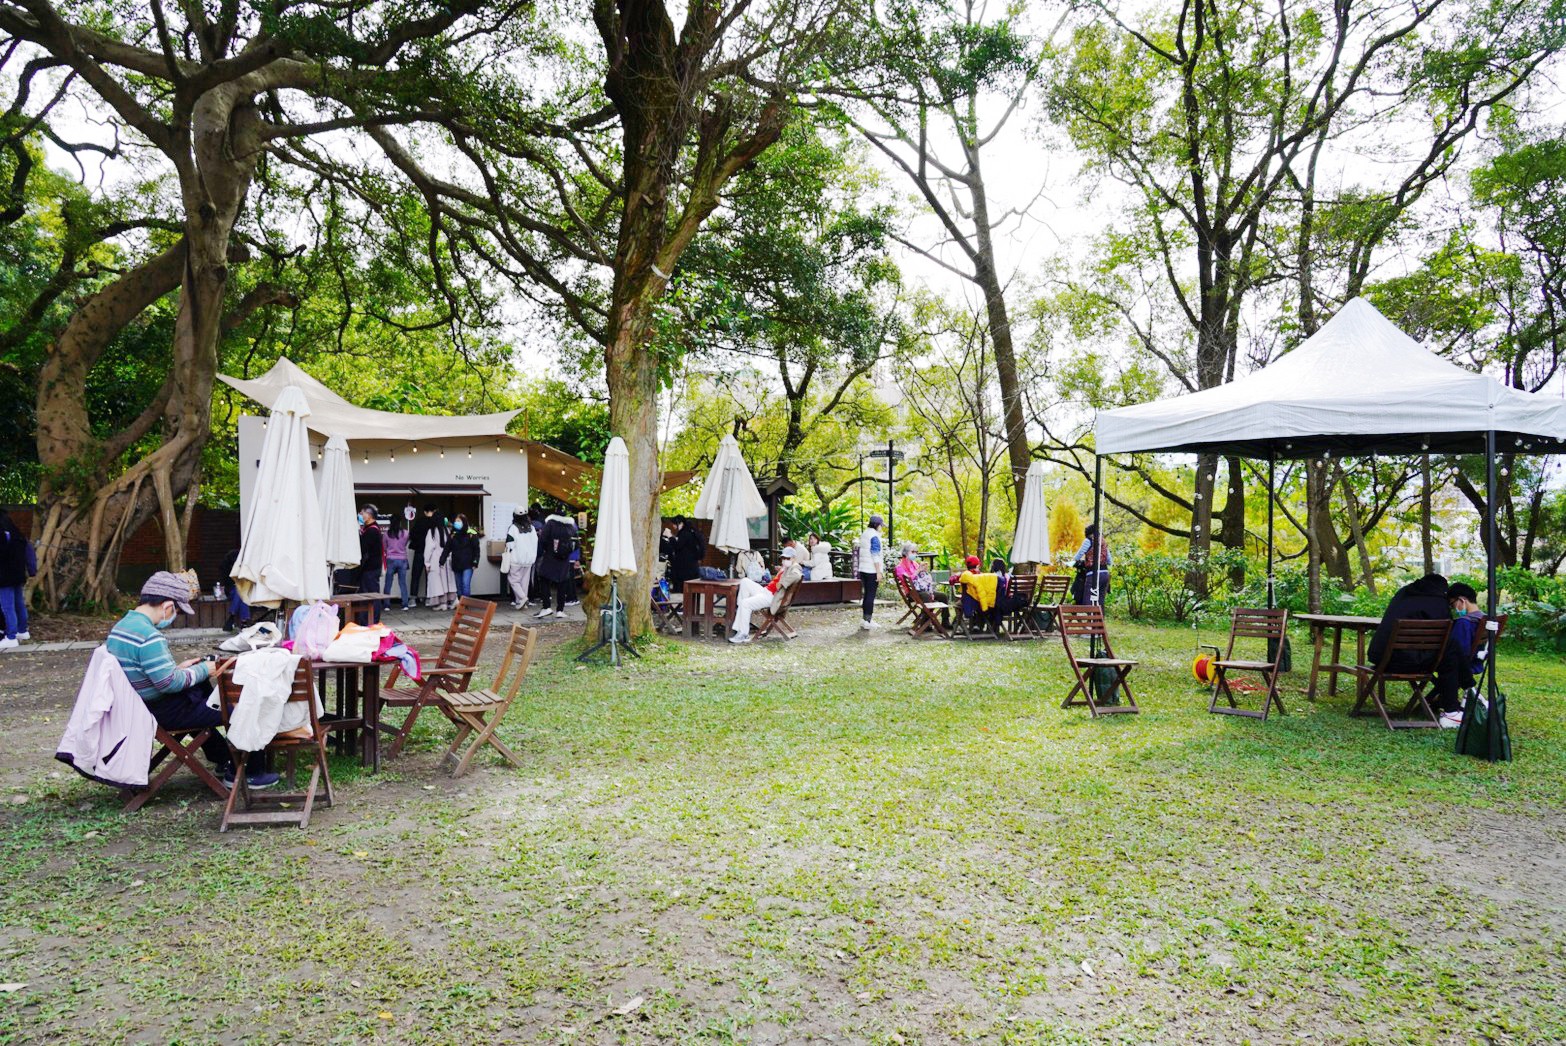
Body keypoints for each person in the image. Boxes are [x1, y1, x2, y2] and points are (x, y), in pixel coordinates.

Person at [107, 572, 276, 787]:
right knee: (242, 709)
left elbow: (147, 673)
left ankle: (223, 758)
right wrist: (205, 668)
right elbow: (169, 684)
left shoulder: (121, 628)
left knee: (207, 692)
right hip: (162, 711)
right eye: (176, 611)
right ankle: (249, 773)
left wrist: (180, 669)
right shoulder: (149, 636)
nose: (174, 616)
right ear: (168, 606)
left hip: (140, 705)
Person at [1367, 572, 1471, 727]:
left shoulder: (1403, 593)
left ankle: (1465, 695)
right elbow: (1444, 636)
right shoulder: (1439, 603)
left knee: (1451, 650)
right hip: (1410, 663)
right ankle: (1459, 701)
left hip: (1383, 658)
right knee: (1451, 650)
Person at [729, 547, 804, 644]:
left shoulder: (795, 567)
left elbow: (797, 575)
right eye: (783, 558)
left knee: (745, 603)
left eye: (788, 558)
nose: (785, 560)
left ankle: (743, 633)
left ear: (794, 558)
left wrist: (782, 583)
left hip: (771, 597)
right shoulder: (786, 567)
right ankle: (741, 614)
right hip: (766, 591)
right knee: (745, 582)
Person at [535, 509, 579, 620]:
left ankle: (546, 607)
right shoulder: (571, 526)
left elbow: (542, 540)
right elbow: (576, 543)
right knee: (562, 583)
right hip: (564, 559)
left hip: (550, 556)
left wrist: (549, 549)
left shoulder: (550, 524)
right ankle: (560, 610)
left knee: (544, 579)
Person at [0, 508, 32, 648]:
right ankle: (22, 630)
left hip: (4, 574)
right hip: (18, 571)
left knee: (7, 605)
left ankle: (11, 636)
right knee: (18, 602)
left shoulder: (2, 530)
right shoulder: (13, 528)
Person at [955, 555, 1002, 634]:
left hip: (969, 602)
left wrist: (956, 576)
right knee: (982, 606)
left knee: (958, 605)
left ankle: (959, 624)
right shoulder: (983, 576)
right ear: (977, 565)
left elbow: (953, 581)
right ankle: (978, 625)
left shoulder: (965, 575)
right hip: (986, 602)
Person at [660, 516, 706, 592]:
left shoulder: (685, 533)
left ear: (680, 523)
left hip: (686, 566)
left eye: (675, 524)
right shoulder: (690, 532)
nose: (674, 527)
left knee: (683, 587)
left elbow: (677, 546)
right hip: (691, 565)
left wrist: (670, 536)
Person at [440, 513, 481, 599]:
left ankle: (465, 605)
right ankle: (461, 605)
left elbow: (476, 549)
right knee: (459, 587)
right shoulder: (453, 535)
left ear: (464, 522)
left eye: (459, 521)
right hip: (456, 564)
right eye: (455, 521)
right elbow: (447, 548)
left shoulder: (471, 533)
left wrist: (475, 562)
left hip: (468, 564)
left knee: (465, 584)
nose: (456, 523)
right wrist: (442, 560)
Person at [855, 514, 885, 630]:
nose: (881, 528)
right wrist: (878, 572)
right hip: (872, 570)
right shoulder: (874, 536)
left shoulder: (865, 534)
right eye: (881, 526)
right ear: (877, 525)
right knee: (870, 596)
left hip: (863, 569)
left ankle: (865, 619)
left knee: (866, 594)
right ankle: (868, 620)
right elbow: (875, 554)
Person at [1071, 523, 1111, 605]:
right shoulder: (1103, 541)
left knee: (1088, 601)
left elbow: (1078, 556)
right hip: (1105, 574)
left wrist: (1076, 560)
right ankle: (1100, 617)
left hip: (1093, 574)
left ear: (1087, 533)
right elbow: (1109, 560)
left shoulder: (1088, 540)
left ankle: (1090, 617)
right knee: (1100, 601)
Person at [505, 509, 538, 610]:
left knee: (513, 580)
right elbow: (536, 541)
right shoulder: (532, 528)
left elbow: (509, 544)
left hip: (516, 559)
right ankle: (521, 603)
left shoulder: (513, 528)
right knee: (524, 581)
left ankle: (523, 598)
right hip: (529, 560)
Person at [356, 504, 384, 622]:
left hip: (370, 568)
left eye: (362, 514)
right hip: (371, 568)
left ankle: (371, 620)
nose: (361, 516)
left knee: (371, 595)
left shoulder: (372, 531)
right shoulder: (370, 529)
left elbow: (363, 548)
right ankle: (368, 619)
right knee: (368, 594)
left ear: (368, 515)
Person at [423, 512, 456, 612]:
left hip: (435, 559)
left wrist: (426, 562)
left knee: (438, 582)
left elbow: (428, 548)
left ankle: (442, 603)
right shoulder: (447, 530)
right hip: (446, 558)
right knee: (447, 581)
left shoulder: (432, 531)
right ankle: (450, 601)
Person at [384, 510, 413, 611]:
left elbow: (384, 547)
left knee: (388, 582)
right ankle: (405, 604)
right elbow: (405, 545)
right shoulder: (405, 533)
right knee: (402, 583)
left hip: (391, 559)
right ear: (400, 522)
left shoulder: (387, 534)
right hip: (402, 559)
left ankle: (386, 605)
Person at [408, 504, 434, 606]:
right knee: (430, 576)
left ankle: (413, 599)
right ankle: (429, 598)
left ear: (424, 511)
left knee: (416, 575)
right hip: (431, 554)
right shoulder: (435, 523)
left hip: (419, 551)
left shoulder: (419, 521)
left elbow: (412, 534)